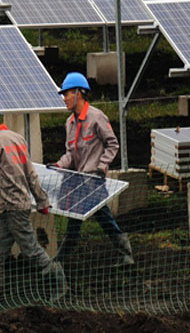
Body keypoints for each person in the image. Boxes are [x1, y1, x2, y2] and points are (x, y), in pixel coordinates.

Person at [0, 101, 66, 303]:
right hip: (16, 205)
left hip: (10, 205)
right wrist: (41, 200)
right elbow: (30, 172)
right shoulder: (18, 138)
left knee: (31, 250)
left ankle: (59, 281)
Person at [53, 72, 134, 267]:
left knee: (98, 218)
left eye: (67, 94)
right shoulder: (69, 123)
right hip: (78, 180)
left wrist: (102, 166)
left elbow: (112, 144)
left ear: (79, 93)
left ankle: (58, 262)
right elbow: (70, 154)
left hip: (94, 180)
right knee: (82, 219)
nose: (64, 98)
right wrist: (59, 165)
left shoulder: (96, 117)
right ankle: (59, 262)